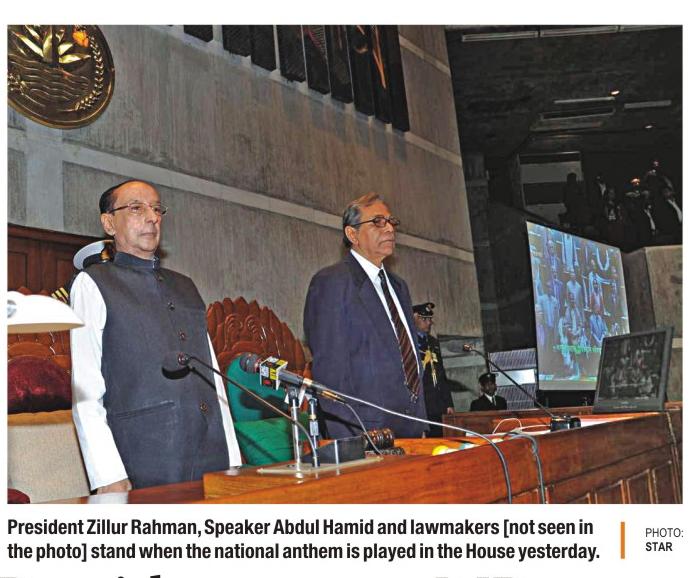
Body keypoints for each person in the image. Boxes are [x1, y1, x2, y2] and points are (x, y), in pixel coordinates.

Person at [70, 180, 241, 493]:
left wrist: (233, 455)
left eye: (157, 209)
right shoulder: (93, 283)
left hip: (212, 453)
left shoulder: (186, 285)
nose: (152, 217)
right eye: (136, 208)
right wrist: (107, 476)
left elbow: (213, 379)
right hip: (145, 457)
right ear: (109, 223)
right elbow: (85, 389)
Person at [304, 193, 427, 439]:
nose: (389, 228)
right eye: (378, 222)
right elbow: (331, 374)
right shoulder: (332, 283)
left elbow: (407, 359)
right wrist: (351, 442)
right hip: (368, 433)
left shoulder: (399, 287)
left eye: (391, 222)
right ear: (353, 234)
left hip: (412, 427)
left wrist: (420, 424)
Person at [412, 302, 454, 437]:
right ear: (414, 319)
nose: (429, 323)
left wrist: (448, 403)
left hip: (438, 403)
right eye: (424, 319)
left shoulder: (433, 342)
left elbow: (441, 375)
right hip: (422, 403)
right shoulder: (409, 342)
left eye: (430, 319)